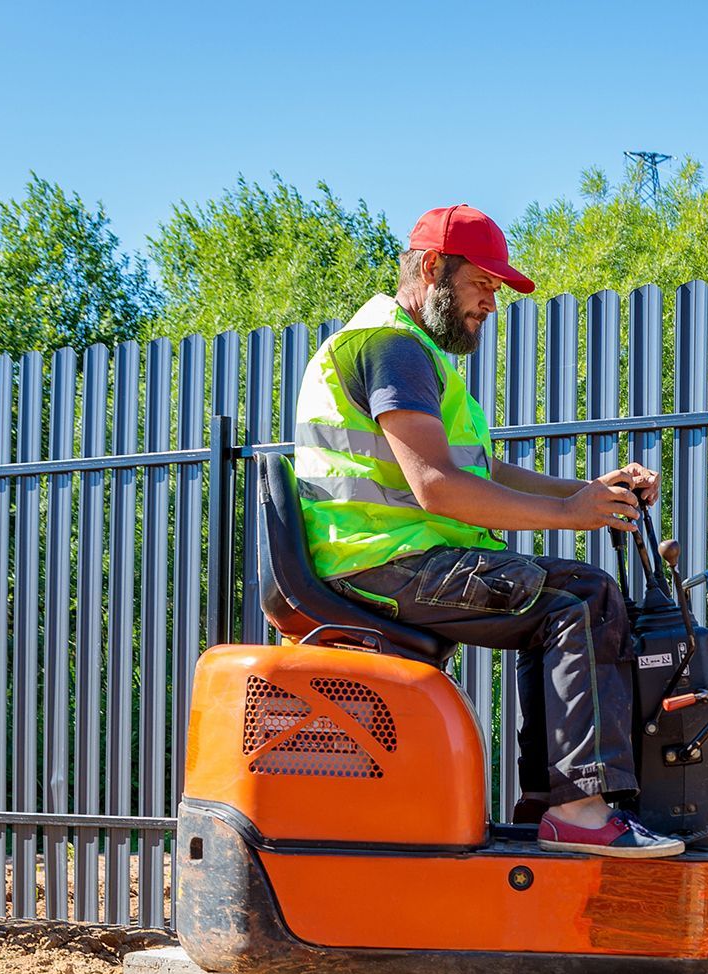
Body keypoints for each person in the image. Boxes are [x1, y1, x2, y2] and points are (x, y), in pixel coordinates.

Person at [292, 203, 684, 858]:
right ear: (432, 269)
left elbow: (480, 468)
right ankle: (579, 811)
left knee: (577, 594)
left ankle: (550, 807)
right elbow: (438, 487)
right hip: (384, 562)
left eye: (496, 290)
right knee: (578, 603)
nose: (491, 304)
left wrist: (587, 492)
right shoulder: (392, 350)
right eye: (483, 285)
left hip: (394, 557)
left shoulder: (404, 352)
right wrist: (567, 516)